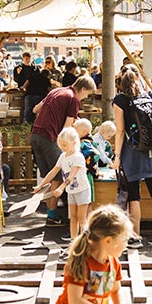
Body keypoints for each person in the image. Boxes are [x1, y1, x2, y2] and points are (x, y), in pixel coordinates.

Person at [47, 205, 134, 304]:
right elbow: (75, 301)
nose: (126, 245)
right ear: (108, 241)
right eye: (123, 240)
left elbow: (116, 289)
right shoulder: (82, 262)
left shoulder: (114, 263)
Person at [112, 66, 152, 248]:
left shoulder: (120, 100)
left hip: (133, 150)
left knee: (133, 194)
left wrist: (117, 156)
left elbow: (120, 131)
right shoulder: (146, 96)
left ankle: (135, 237)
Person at [30, 76, 98, 227]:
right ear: (83, 89)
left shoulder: (57, 91)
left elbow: (35, 109)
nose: (85, 98)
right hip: (49, 137)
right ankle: (52, 216)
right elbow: (67, 129)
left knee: (48, 175)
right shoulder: (73, 99)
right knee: (58, 176)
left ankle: (51, 212)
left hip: (35, 135)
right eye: (87, 94)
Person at [33, 127, 92, 241]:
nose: (62, 147)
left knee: (82, 219)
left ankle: (84, 244)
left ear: (74, 143)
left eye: (64, 145)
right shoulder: (63, 156)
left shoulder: (78, 157)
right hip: (71, 191)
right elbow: (53, 172)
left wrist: (61, 188)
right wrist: (40, 186)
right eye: (60, 144)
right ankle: (73, 243)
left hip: (82, 191)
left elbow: (71, 175)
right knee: (73, 218)